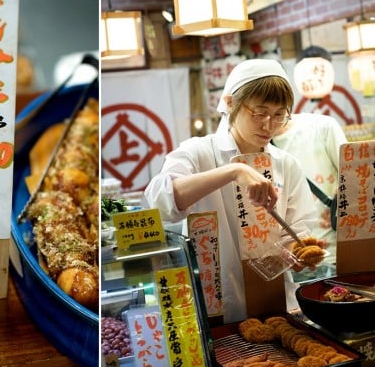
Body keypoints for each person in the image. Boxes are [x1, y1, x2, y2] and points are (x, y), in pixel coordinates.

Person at [144, 59, 317, 323]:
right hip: (212, 305)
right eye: (259, 113)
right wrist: (233, 171)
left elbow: (298, 226)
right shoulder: (198, 152)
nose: (268, 125)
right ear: (230, 103)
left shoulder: (285, 164)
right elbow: (160, 202)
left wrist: (296, 251)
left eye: (279, 114)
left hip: (275, 304)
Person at [272, 112, 347, 281]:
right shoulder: (252, 144)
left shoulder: (322, 127)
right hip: (285, 266)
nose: (267, 121)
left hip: (335, 258)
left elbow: (355, 181)